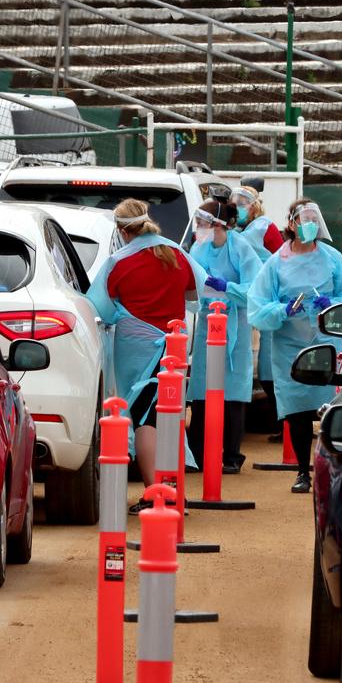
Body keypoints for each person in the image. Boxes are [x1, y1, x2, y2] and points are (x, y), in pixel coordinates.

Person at [86, 198, 205, 512]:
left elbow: (99, 306)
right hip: (174, 345)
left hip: (136, 348)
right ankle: (171, 487)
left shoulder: (119, 262)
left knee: (144, 418)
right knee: (168, 415)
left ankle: (156, 491)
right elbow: (196, 292)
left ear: (122, 230)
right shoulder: (176, 253)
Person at [248, 198, 342, 493]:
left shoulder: (331, 257)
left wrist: (332, 303)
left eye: (315, 217)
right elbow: (258, 306)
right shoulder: (277, 263)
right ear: (292, 223)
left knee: (332, 408)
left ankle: (335, 470)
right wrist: (284, 310)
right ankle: (303, 471)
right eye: (305, 218)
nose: (311, 223)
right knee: (297, 411)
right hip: (290, 346)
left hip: (330, 341)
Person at [187, 198, 261, 474]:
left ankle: (231, 455)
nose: (199, 228)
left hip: (235, 326)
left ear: (218, 224)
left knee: (232, 391)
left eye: (203, 223)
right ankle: (197, 454)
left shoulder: (241, 247)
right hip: (208, 324)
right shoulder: (199, 246)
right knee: (203, 391)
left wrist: (227, 287)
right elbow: (192, 284)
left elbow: (255, 289)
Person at [232, 186, 283, 437]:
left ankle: (283, 423)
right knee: (265, 366)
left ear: (255, 205)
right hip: (251, 299)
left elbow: (282, 258)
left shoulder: (265, 227)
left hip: (270, 298)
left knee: (272, 363)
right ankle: (279, 422)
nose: (240, 206)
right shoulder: (239, 230)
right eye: (236, 202)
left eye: (244, 202)